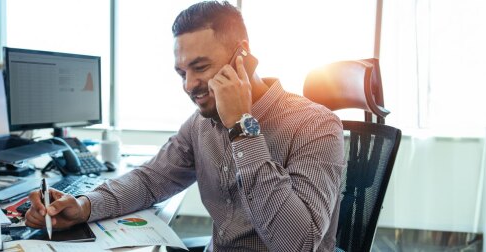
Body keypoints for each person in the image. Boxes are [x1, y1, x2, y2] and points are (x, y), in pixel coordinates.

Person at [25, 1, 345, 251]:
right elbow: (150, 181)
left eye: (200, 67)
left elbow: (297, 245)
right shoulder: (199, 125)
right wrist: (84, 206)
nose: (189, 85)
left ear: (242, 57)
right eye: (182, 73)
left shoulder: (315, 125)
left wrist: (242, 127)